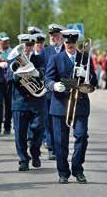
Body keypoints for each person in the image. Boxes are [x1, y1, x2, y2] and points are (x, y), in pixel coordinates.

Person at [45, 29, 97, 184]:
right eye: (67, 42)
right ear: (63, 41)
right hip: (60, 104)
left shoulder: (85, 58)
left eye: (73, 42)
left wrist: (87, 75)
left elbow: (93, 83)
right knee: (60, 141)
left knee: (82, 137)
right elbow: (47, 79)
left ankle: (77, 168)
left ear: (76, 43)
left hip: (80, 103)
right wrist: (54, 85)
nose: (70, 45)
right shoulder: (55, 58)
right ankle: (63, 172)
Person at [10, 34, 45, 171]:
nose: (27, 48)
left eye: (30, 45)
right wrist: (16, 75)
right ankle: (23, 159)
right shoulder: (13, 60)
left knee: (39, 128)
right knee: (19, 132)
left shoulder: (40, 59)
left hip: (37, 100)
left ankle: (35, 152)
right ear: (20, 45)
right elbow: (8, 76)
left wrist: (37, 73)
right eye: (25, 45)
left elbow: (44, 73)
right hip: (19, 101)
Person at [40, 23, 66, 160]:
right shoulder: (46, 51)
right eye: (51, 35)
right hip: (49, 90)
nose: (53, 38)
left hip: (64, 90)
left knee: (61, 122)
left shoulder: (66, 49)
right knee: (48, 120)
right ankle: (51, 147)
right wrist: (50, 83)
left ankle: (61, 146)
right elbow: (42, 69)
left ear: (61, 36)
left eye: (55, 35)